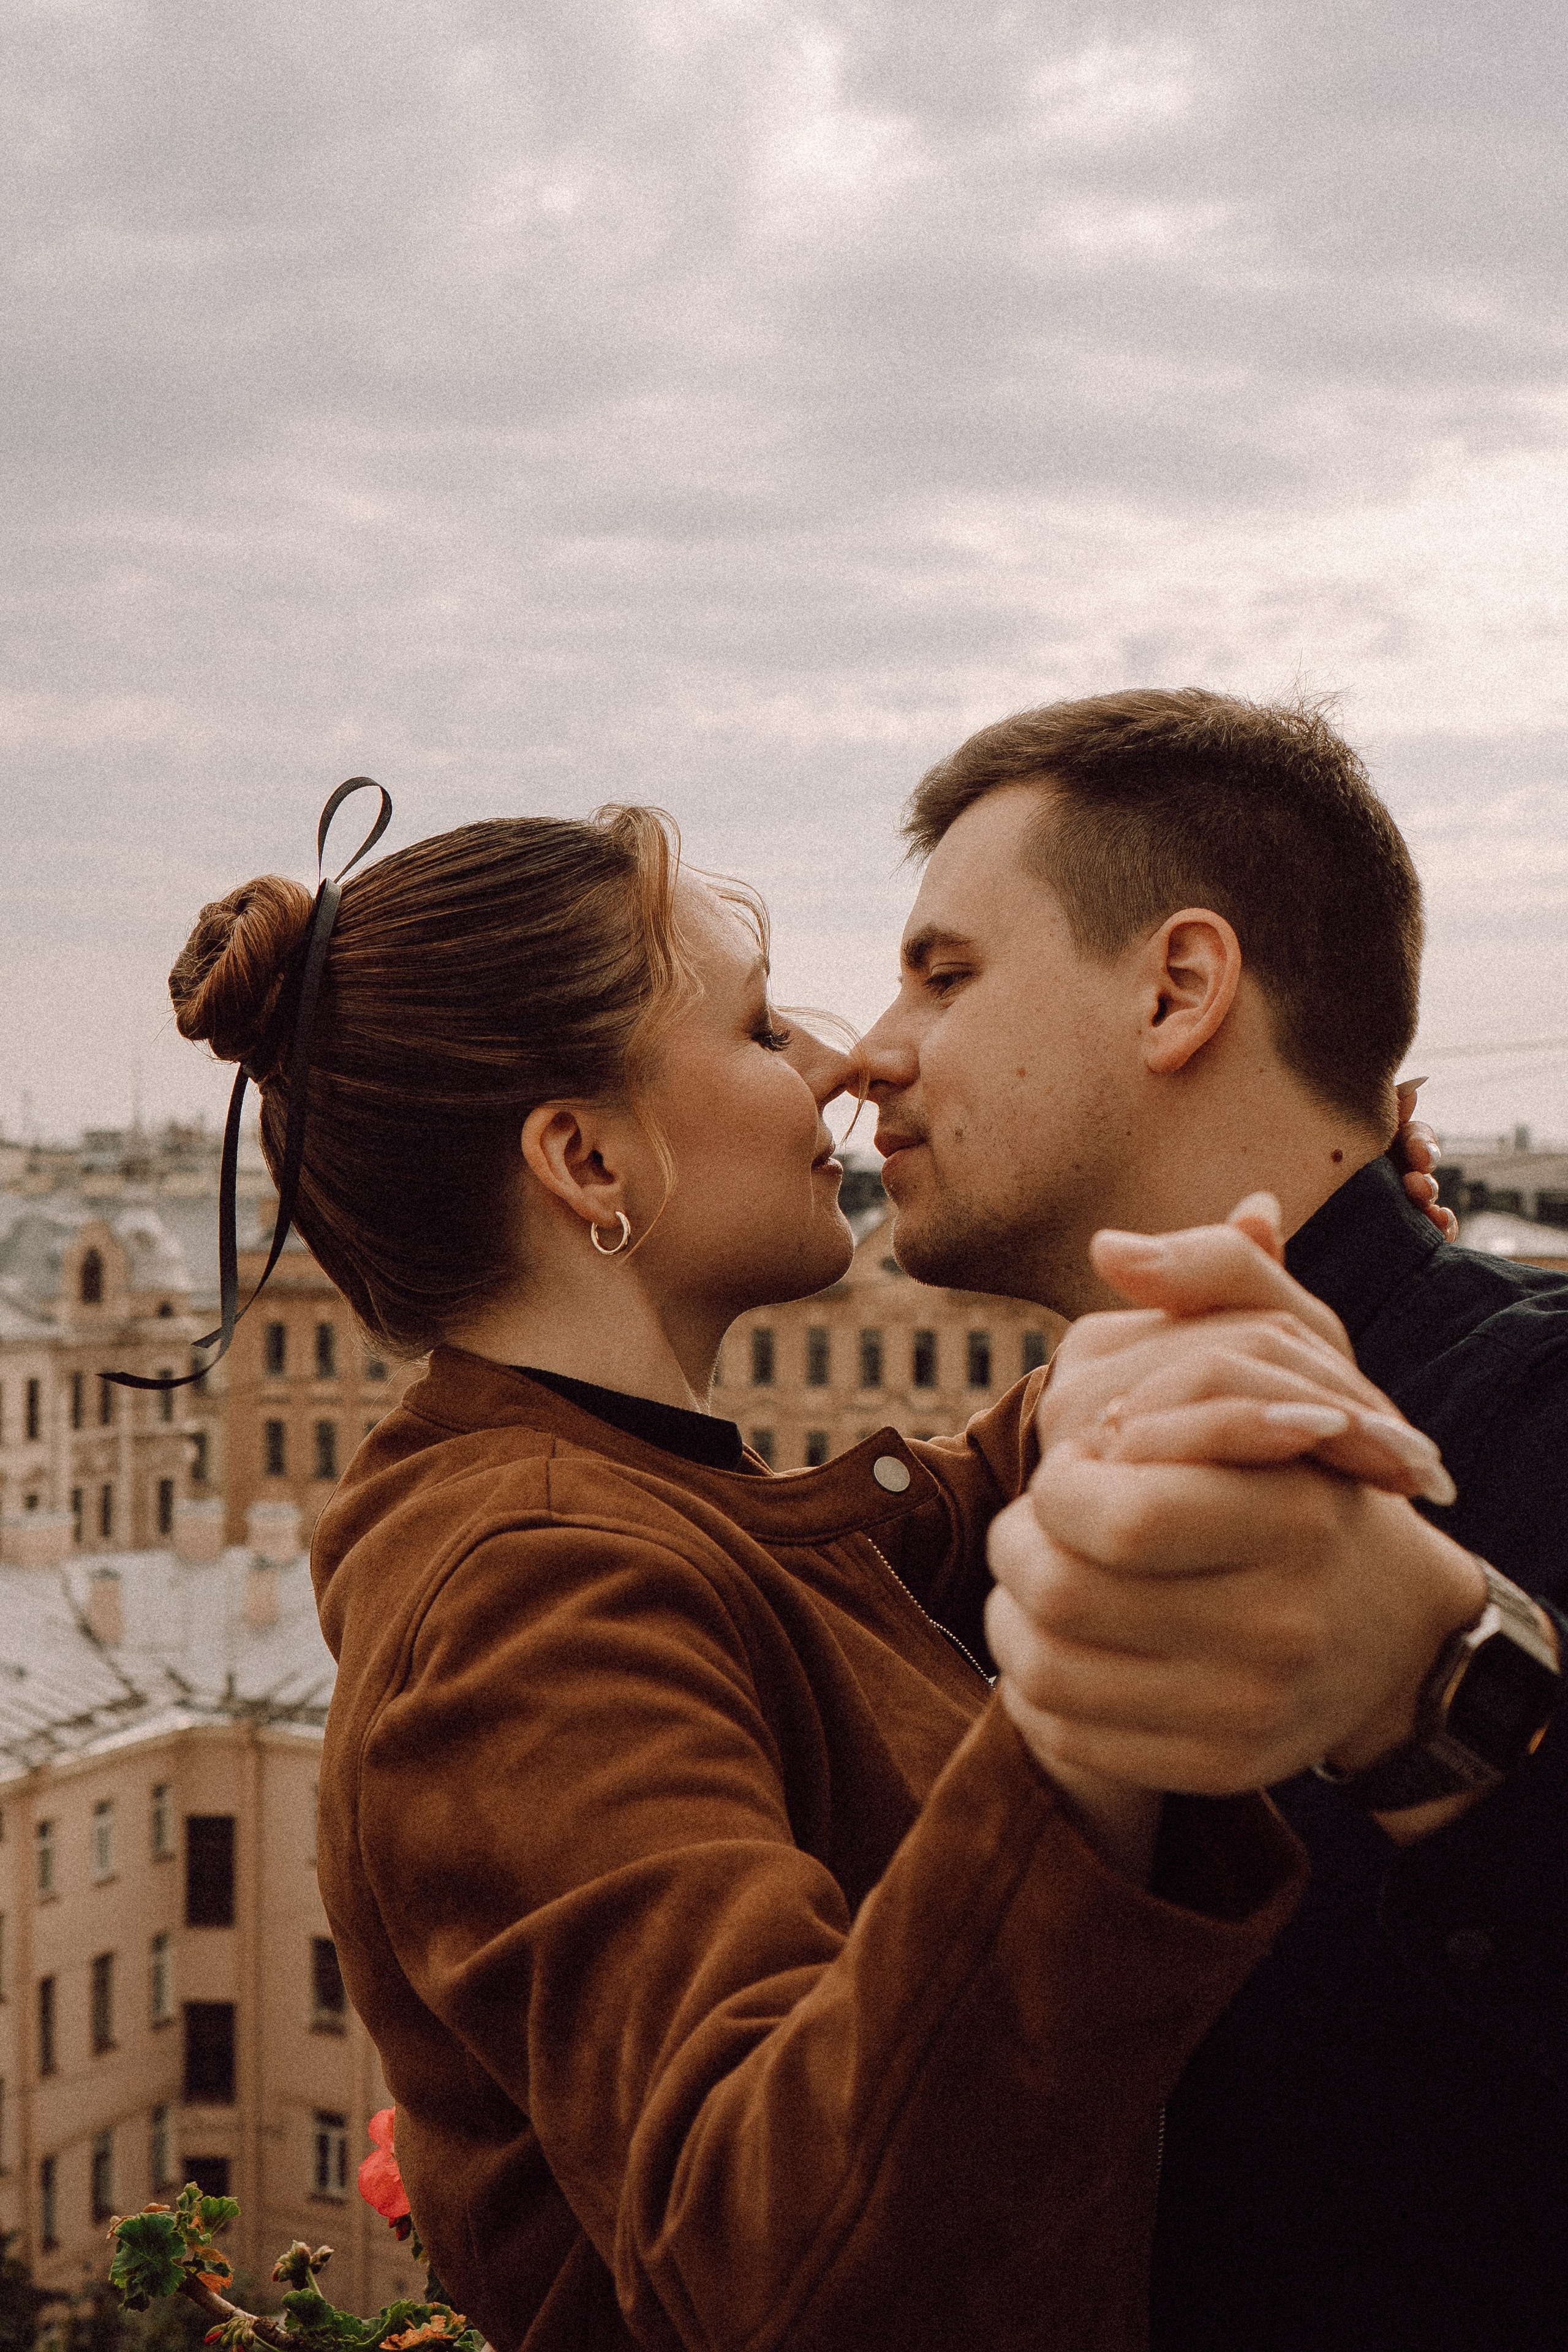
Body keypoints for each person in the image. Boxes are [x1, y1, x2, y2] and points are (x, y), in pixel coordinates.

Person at [164, 793, 1457, 2352]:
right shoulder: (530, 1595)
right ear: (584, 1160)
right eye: (762, 1030)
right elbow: (786, 2269)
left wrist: (1286, 1239)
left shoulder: (629, 1502)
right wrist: (1082, 1716)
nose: (839, 1065)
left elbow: (883, 1556)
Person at [859, 686, 1568, 2352]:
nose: (866, 1051)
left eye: (944, 974)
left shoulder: (1536, 1418)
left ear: (1179, 988)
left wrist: (1435, 1686)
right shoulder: (1017, 1502)